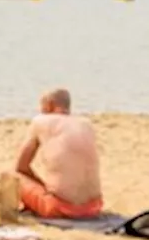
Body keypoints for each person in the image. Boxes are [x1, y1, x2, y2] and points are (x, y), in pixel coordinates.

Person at [15, 88, 103, 219]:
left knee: (12, 177)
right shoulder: (86, 123)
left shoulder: (41, 121)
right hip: (94, 207)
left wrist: (44, 187)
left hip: (60, 208)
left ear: (49, 105)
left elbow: (21, 167)